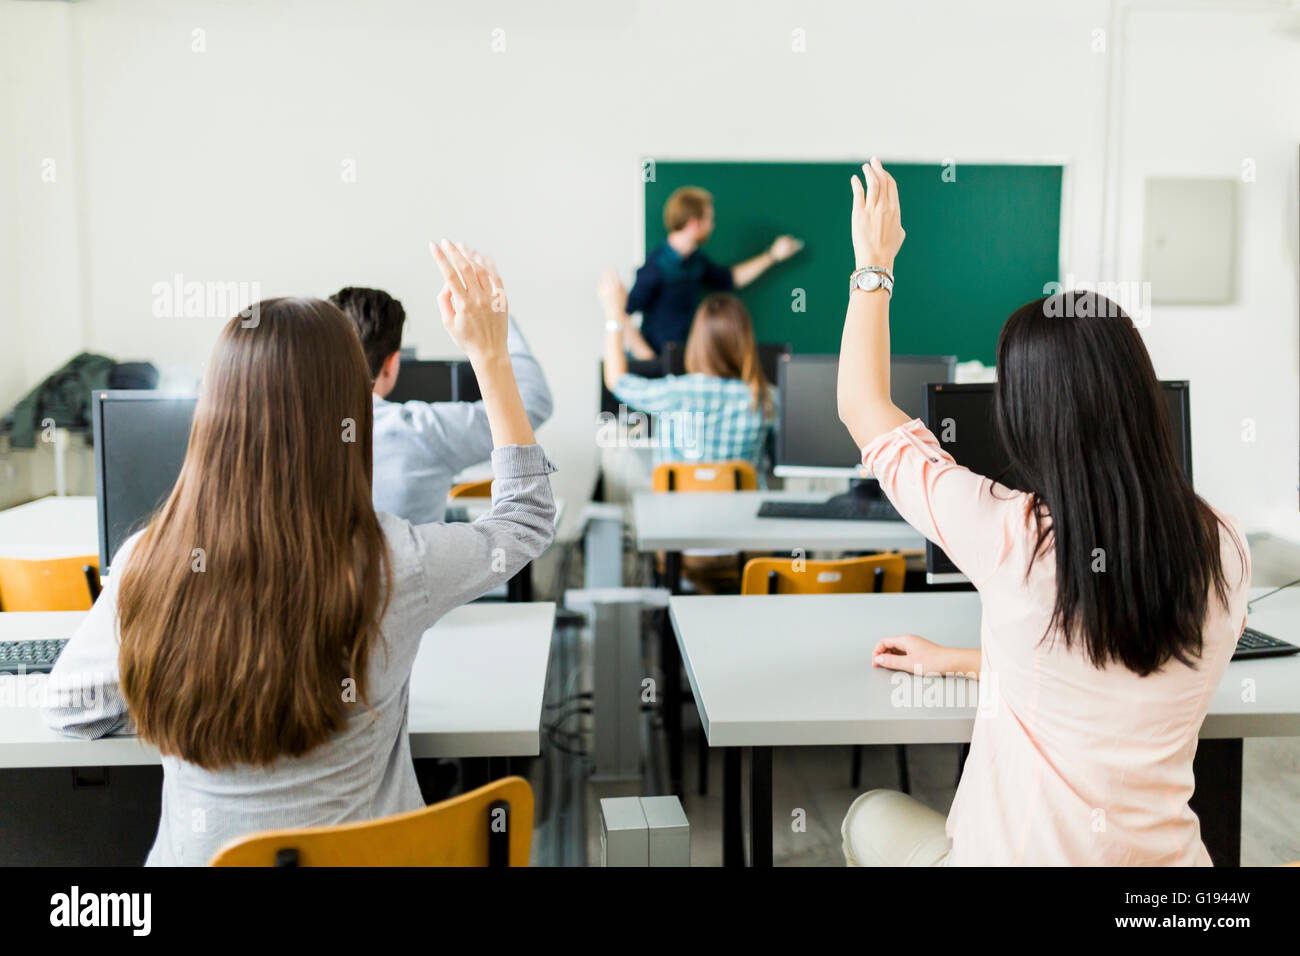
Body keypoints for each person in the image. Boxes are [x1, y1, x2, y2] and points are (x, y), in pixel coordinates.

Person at [42, 243, 557, 866]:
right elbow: (525, 519)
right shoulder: (394, 563)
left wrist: (186, 697)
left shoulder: (148, 562)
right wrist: (490, 353)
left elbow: (73, 711)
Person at [836, 159, 1250, 866]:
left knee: (869, 815)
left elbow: (863, 408)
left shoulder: (1010, 536)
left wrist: (873, 267)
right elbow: (1103, 667)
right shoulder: (1222, 544)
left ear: (1025, 420)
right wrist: (972, 661)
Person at [331, 266, 552, 524]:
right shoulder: (424, 431)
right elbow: (534, 402)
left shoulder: (289, 430)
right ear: (392, 363)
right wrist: (495, 323)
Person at [600, 274, 775, 470]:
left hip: (677, 502)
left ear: (698, 343)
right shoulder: (765, 397)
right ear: (746, 344)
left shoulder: (676, 392)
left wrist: (614, 316)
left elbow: (616, 381)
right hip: (747, 501)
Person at [615, 185, 802, 357]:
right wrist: (647, 356)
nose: (712, 226)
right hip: (658, 360)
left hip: (685, 357)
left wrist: (772, 255)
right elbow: (623, 311)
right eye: (708, 219)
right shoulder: (656, 265)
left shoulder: (697, 261)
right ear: (693, 223)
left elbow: (731, 278)